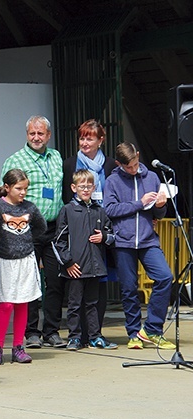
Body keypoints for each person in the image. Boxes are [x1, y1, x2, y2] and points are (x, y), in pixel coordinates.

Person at [103, 142, 176, 350]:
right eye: (128, 167)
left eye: (135, 164)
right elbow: (109, 210)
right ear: (119, 164)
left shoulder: (152, 177)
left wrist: (161, 206)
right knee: (129, 289)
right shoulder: (112, 181)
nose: (133, 169)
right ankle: (134, 333)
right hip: (123, 242)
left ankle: (152, 330)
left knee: (164, 277)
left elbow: (157, 214)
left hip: (147, 239)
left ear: (138, 155)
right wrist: (139, 203)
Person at [2, 115, 66, 349]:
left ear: (48, 135)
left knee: (55, 280)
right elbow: (6, 197)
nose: (36, 138)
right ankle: (31, 332)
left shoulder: (56, 157)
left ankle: (52, 330)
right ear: (27, 135)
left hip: (53, 228)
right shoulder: (15, 160)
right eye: (32, 133)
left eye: (41, 133)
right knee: (29, 281)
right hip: (26, 229)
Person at [62, 119, 117, 348]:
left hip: (101, 230)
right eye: (82, 138)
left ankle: (95, 333)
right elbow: (66, 198)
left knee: (98, 288)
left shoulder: (111, 166)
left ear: (100, 140)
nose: (85, 142)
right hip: (78, 235)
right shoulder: (70, 164)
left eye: (90, 138)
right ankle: (77, 334)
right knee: (75, 296)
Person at [0, 169, 46, 365]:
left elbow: (41, 227)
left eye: (25, 189)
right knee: (6, 304)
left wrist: (27, 242)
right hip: (6, 261)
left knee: (23, 303)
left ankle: (18, 347)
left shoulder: (29, 207)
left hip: (26, 260)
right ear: (7, 187)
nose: (23, 192)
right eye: (19, 188)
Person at [54, 169, 115, 351]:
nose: (86, 189)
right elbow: (58, 241)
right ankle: (74, 337)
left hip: (95, 267)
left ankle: (95, 336)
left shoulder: (99, 211)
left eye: (89, 186)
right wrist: (68, 263)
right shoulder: (67, 210)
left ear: (94, 187)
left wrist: (103, 237)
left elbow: (112, 235)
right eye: (82, 186)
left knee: (93, 304)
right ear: (74, 187)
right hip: (76, 268)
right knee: (74, 305)